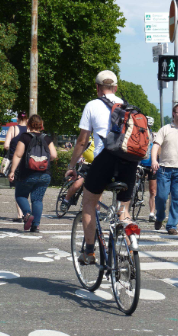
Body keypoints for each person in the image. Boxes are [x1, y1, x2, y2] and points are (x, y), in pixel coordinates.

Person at [65, 70, 138, 264]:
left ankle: (89, 252)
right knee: (124, 211)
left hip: (104, 161)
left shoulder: (92, 105)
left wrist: (72, 166)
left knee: (89, 204)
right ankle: (132, 251)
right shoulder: (129, 107)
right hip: (129, 162)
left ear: (97, 87)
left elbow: (82, 141)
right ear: (116, 87)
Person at [8, 114, 57, 233]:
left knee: (20, 195)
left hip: (27, 174)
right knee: (37, 200)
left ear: (29, 125)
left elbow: (18, 155)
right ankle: (36, 226)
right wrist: (42, 161)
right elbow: (54, 155)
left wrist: (12, 171)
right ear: (41, 125)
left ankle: (27, 214)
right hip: (44, 174)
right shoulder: (47, 138)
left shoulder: (25, 137)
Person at [151, 103, 178, 235]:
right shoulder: (166, 129)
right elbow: (155, 146)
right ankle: (160, 216)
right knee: (161, 197)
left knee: (176, 198)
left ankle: (172, 225)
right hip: (164, 169)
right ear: (174, 114)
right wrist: (154, 160)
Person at [4, 111, 28, 222]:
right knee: (26, 188)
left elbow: (6, 145)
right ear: (27, 119)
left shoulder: (13, 129)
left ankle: (20, 214)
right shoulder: (29, 130)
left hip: (15, 163)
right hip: (28, 163)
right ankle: (27, 211)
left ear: (18, 119)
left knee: (18, 189)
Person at [60, 137, 94, 213]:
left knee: (96, 189)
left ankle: (96, 211)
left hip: (96, 166)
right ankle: (66, 200)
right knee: (77, 184)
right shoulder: (90, 137)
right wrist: (80, 158)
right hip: (85, 164)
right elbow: (81, 147)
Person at [140, 116, 157, 222]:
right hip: (140, 162)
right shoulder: (139, 134)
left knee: (152, 190)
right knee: (131, 185)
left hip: (151, 164)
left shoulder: (154, 136)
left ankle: (151, 213)